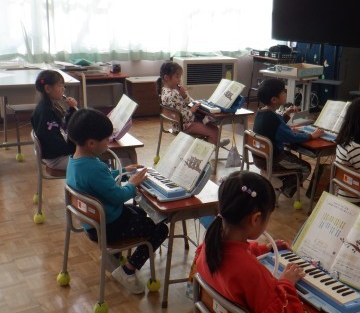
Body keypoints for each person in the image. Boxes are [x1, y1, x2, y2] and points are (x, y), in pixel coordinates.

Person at [195, 170, 352, 313]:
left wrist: (266, 249)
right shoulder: (249, 271)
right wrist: (286, 282)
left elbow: (241, 251)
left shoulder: (211, 243)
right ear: (255, 218)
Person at [66, 108, 168, 294]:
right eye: (106, 140)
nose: (108, 143)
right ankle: (128, 270)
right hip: (111, 227)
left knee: (142, 213)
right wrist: (132, 183)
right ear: (91, 143)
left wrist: (123, 172)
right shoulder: (93, 168)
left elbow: (101, 180)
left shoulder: (76, 161)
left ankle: (112, 258)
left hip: (95, 224)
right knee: (161, 229)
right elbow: (119, 196)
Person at [253, 78, 323, 197]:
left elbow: (276, 128)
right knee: (306, 168)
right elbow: (291, 137)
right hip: (273, 160)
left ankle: (277, 182)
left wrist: (286, 114)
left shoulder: (261, 113)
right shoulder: (273, 119)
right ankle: (282, 189)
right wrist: (311, 135)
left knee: (293, 159)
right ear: (274, 99)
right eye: (283, 92)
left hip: (260, 158)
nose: (285, 94)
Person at [157, 61, 229, 146]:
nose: (179, 80)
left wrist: (184, 96)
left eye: (180, 77)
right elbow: (180, 117)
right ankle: (210, 148)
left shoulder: (164, 91)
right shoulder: (173, 94)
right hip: (184, 125)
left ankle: (213, 142)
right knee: (214, 131)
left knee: (210, 124)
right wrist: (191, 110)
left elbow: (189, 103)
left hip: (180, 124)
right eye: (177, 77)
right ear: (166, 77)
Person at [30, 70, 78, 170]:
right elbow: (51, 140)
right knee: (91, 162)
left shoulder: (50, 106)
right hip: (57, 159)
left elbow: (65, 126)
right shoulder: (45, 112)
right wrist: (74, 148)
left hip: (58, 155)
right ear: (48, 88)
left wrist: (72, 109)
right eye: (60, 86)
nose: (63, 89)